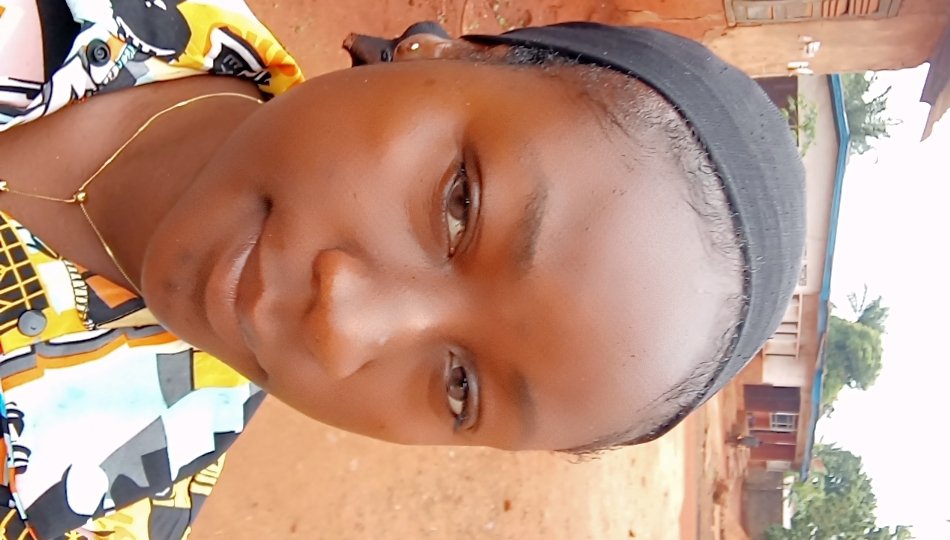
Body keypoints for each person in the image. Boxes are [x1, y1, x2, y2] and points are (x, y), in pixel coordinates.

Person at [0, 1, 804, 538]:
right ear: (439, 51)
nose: (341, 326)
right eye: (459, 206)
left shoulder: (78, 504)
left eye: (460, 387)